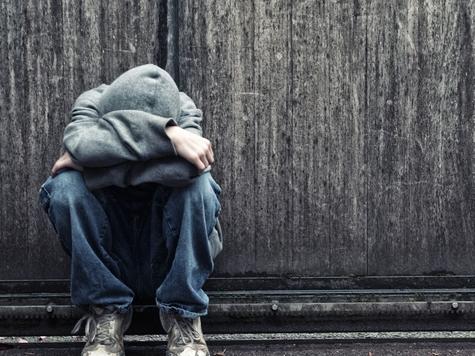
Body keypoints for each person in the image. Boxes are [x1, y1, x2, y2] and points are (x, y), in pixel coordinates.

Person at [37, 64, 223, 356]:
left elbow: (189, 169)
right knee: (64, 186)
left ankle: (183, 315)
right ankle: (107, 312)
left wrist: (101, 164)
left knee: (199, 186)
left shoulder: (182, 105)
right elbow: (81, 145)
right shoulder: (93, 102)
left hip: (165, 248)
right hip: (111, 251)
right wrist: (168, 136)